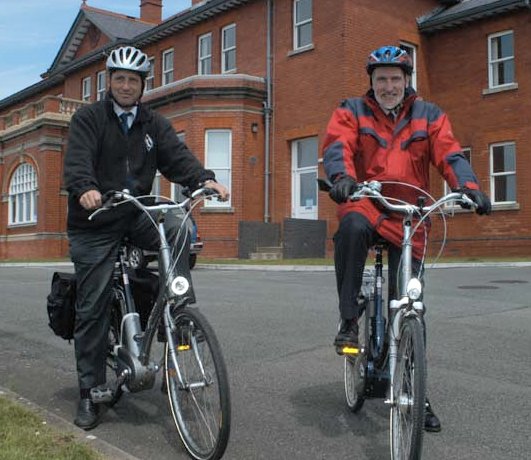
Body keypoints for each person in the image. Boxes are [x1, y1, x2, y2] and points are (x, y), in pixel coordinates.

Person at [322, 45, 491, 432]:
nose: (388, 86)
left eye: (395, 78)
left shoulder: (429, 115)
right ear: (372, 82)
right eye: (381, 79)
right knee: (349, 228)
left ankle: (416, 391)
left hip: (410, 213)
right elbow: (337, 147)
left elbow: (449, 153)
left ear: (406, 81)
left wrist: (468, 187)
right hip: (366, 201)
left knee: (410, 305)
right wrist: (342, 179)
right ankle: (349, 318)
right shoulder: (351, 110)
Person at [63, 45, 229, 430]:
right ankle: (90, 393)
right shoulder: (89, 119)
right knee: (93, 306)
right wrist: (86, 187)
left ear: (142, 85)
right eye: (119, 78)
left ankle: (179, 305)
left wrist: (203, 180)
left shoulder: (153, 124)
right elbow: (77, 161)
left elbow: (177, 158)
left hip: (135, 213)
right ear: (110, 82)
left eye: (132, 80)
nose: (125, 85)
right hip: (95, 218)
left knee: (178, 224)